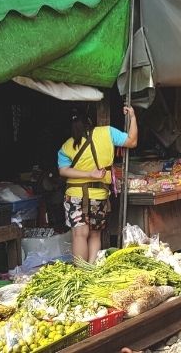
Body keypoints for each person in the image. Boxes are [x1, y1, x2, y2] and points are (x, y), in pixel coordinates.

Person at [57, 107, 137, 263]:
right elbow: (132, 141)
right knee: (94, 234)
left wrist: (87, 174)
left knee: (79, 234)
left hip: (75, 196)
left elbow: (63, 171)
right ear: (90, 122)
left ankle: (81, 274)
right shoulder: (107, 132)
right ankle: (92, 271)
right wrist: (133, 117)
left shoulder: (67, 145)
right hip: (98, 194)